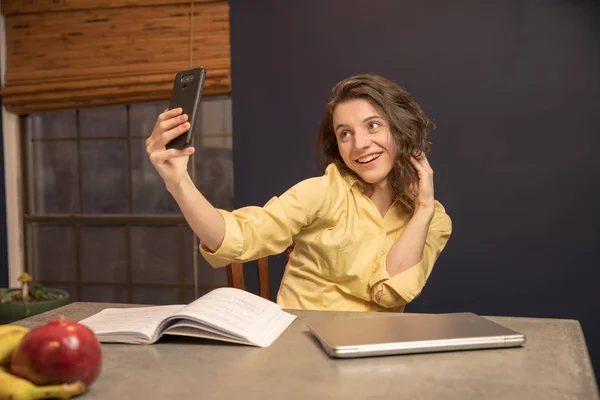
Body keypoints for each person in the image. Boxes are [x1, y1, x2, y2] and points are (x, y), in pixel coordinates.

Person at [146, 73, 452, 312]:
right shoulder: (323, 192)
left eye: (373, 126)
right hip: (301, 347)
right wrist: (178, 182)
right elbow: (236, 238)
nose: (359, 144)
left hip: (372, 356)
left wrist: (423, 209)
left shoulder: (433, 219)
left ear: (401, 128)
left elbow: (388, 295)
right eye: (345, 133)